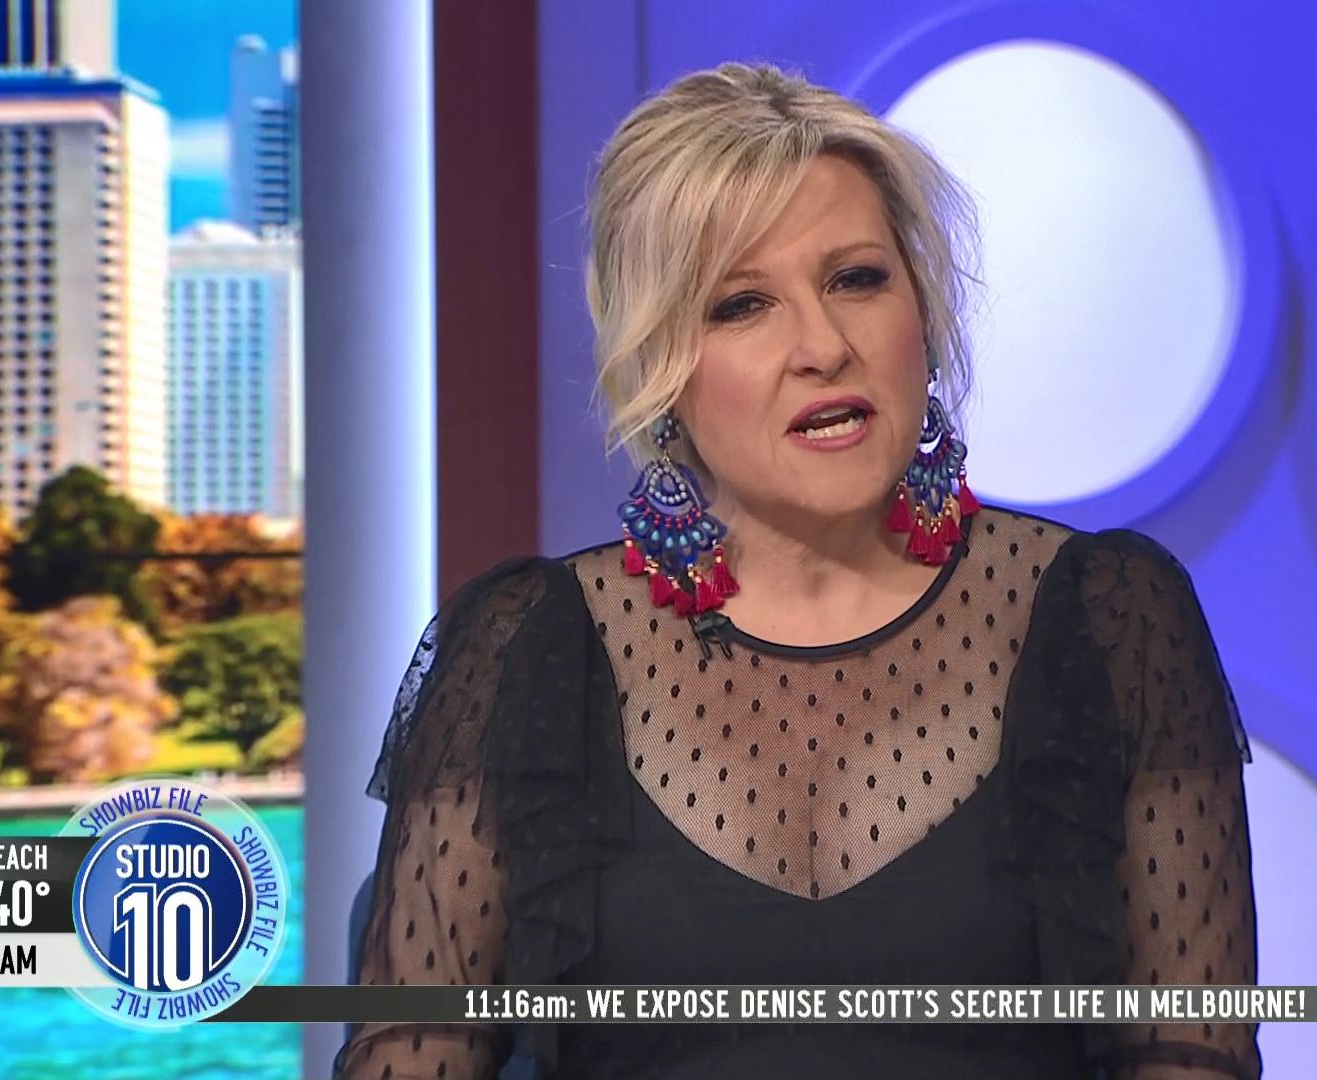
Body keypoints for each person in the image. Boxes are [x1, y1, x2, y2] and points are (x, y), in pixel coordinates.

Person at [335, 61, 1260, 1080]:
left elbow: (1190, 1051)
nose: (823, 346)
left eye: (857, 280)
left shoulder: (1107, 619)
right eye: (742, 305)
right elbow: (410, 1054)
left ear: (922, 313)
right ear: (661, 368)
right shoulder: (527, 646)